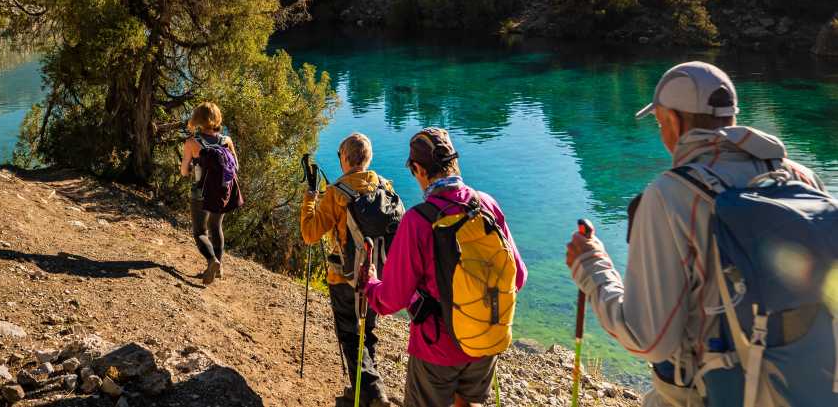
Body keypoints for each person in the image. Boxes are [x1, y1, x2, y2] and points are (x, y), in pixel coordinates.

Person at [565, 61, 829, 406]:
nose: (661, 135)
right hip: (804, 386)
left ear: (674, 121)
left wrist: (592, 269)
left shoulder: (670, 195)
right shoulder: (801, 178)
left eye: (660, 123)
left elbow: (647, 339)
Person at [363, 127, 527, 407]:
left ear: (417, 169)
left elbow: (391, 300)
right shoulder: (486, 204)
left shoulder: (417, 221)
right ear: (454, 162)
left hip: (436, 348)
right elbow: (518, 276)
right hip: (485, 338)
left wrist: (370, 282)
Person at [301, 133, 394, 407]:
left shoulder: (335, 194)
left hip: (343, 277)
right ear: (368, 158)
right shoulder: (385, 188)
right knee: (368, 333)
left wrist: (309, 199)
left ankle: (374, 391)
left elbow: (310, 233)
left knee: (350, 335)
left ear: (344, 158)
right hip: (376, 277)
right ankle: (361, 393)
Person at [180, 101, 243, 285]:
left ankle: (211, 261)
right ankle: (220, 267)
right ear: (216, 118)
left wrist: (192, 167)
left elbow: (184, 171)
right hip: (223, 192)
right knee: (216, 227)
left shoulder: (192, 143)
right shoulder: (226, 141)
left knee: (200, 231)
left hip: (201, 192)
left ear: (197, 120)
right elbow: (236, 167)